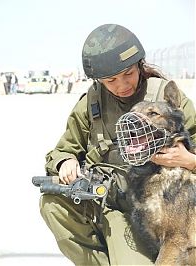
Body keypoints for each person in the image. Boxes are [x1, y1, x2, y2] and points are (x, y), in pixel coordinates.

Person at [40, 24, 196, 266]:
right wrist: (65, 161)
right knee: (52, 203)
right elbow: (63, 150)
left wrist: (190, 160)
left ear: (140, 66)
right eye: (111, 80)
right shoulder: (91, 104)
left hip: (151, 210)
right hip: (106, 205)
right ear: (98, 80)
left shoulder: (165, 96)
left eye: (128, 74)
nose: (122, 85)